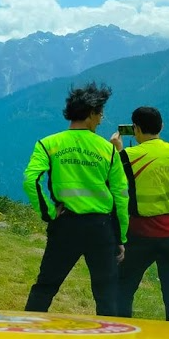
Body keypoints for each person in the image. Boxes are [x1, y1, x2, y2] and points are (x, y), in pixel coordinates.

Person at [23, 82, 128, 316]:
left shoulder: (48, 144)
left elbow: (31, 181)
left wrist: (49, 212)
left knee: (45, 287)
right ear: (91, 114)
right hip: (101, 229)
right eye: (100, 113)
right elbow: (121, 196)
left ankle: (25, 336)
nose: (101, 119)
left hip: (65, 225)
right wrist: (121, 237)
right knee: (106, 293)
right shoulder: (109, 150)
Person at [110, 107, 169, 322]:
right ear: (161, 127)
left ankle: (120, 335)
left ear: (135, 129)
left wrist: (118, 152)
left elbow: (119, 184)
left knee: (123, 287)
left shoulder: (127, 156)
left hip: (141, 234)